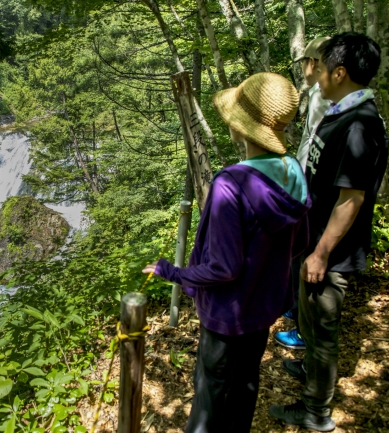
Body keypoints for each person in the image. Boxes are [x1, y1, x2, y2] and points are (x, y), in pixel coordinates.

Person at [142, 72, 310, 433]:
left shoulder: (229, 185)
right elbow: (301, 242)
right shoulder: (293, 170)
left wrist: (171, 272)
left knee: (209, 396)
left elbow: (223, 267)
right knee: (246, 384)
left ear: (242, 126)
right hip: (263, 307)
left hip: (226, 314)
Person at [269, 32, 388, 432]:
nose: (315, 75)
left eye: (320, 67)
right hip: (314, 239)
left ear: (339, 72)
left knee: (322, 333)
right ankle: (311, 373)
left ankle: (315, 412)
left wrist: (320, 253)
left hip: (330, 252)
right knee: (310, 322)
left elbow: (351, 199)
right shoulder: (341, 111)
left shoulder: (360, 125)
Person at [275, 36, 331, 351]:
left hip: (313, 187)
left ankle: (302, 325)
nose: (305, 70)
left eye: (306, 63)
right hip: (307, 183)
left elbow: (317, 146)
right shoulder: (317, 95)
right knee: (298, 248)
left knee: (304, 249)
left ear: (314, 63)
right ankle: (295, 308)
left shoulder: (326, 98)